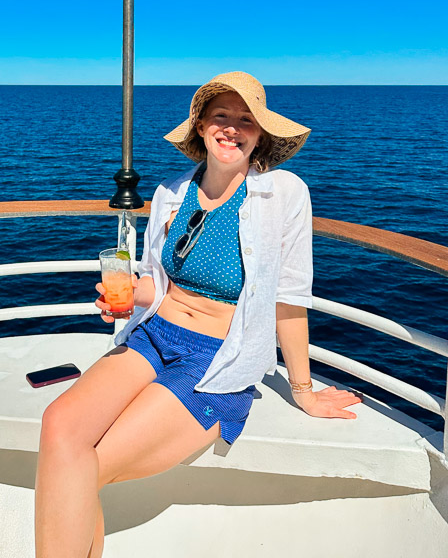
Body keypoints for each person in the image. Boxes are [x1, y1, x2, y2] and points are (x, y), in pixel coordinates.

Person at [34, 71, 363, 558]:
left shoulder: (284, 194)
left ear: (260, 134)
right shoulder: (171, 193)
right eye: (221, 116)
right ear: (202, 128)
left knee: (84, 468)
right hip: (153, 335)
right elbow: (157, 283)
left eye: (245, 120)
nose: (232, 128)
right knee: (59, 423)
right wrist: (127, 299)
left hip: (214, 359)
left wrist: (304, 392)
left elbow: (289, 300)